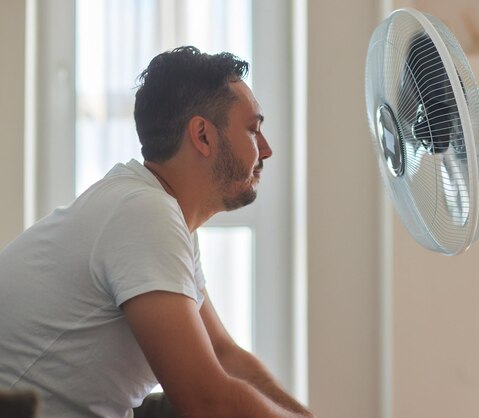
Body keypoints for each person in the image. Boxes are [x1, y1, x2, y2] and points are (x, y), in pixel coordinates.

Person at [0, 46, 314, 418]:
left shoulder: (159, 210)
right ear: (203, 135)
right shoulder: (144, 213)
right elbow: (206, 401)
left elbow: (224, 355)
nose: (266, 149)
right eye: (253, 129)